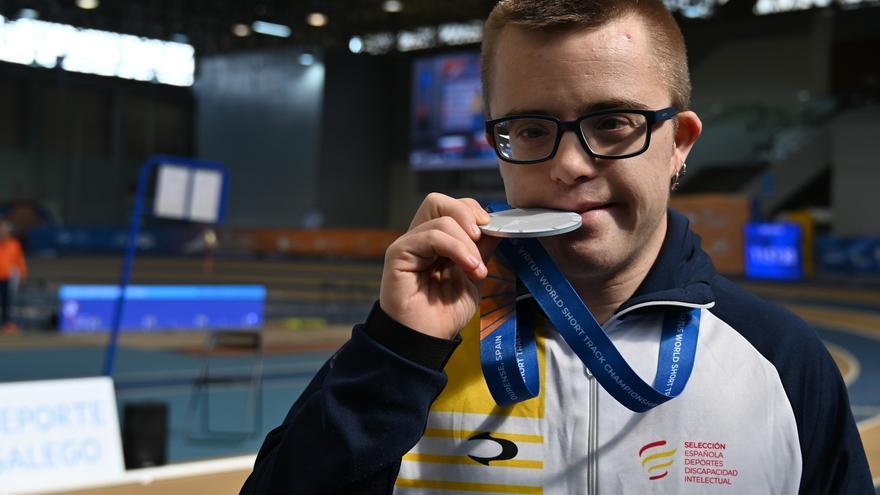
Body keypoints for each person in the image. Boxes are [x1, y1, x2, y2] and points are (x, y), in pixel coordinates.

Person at [242, 0, 872, 493]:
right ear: (497, 144)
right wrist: (396, 350)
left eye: (612, 123)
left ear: (679, 142)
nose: (570, 166)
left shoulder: (784, 364)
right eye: (532, 128)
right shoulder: (414, 350)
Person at [0, 220, 27, 334]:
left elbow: (19, 261)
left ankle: (7, 324)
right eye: (1, 229)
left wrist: (22, 274)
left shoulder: (14, 244)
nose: (3, 232)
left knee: (7, 302)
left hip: (7, 278)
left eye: (5, 230)